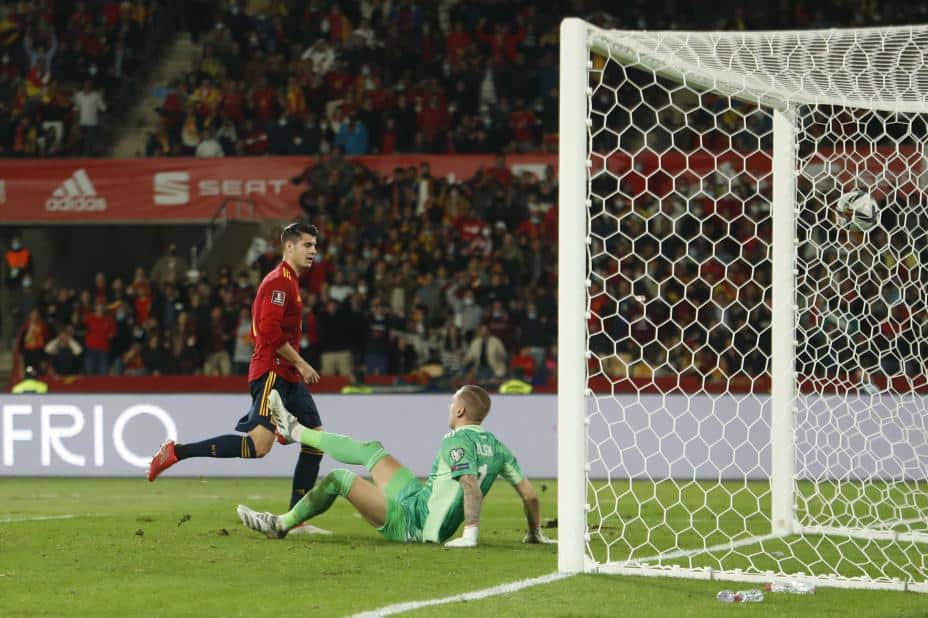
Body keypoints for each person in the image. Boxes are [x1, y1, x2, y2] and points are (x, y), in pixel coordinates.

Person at [147, 223, 329, 525]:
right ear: (289, 247)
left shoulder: (290, 282)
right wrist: (301, 362)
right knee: (258, 446)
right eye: (307, 245)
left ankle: (297, 520)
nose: (313, 251)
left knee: (315, 440)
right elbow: (268, 332)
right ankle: (176, 452)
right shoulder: (279, 282)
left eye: (315, 245)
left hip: (287, 375)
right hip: (272, 372)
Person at [236, 385, 556, 548]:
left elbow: (470, 485)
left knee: (339, 479)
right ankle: (295, 430)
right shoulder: (499, 447)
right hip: (419, 500)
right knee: (372, 451)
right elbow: (530, 496)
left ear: (460, 410)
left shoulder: (456, 441)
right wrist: (534, 533)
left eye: (452, 403)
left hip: (416, 526)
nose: (449, 407)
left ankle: (280, 524)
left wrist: (470, 534)